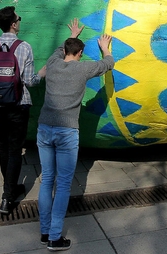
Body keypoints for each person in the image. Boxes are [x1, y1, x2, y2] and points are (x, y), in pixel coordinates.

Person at [37, 19, 114, 250]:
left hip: (44, 128)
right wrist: (105, 47)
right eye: (80, 53)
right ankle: (55, 236)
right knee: (62, 185)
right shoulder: (83, 68)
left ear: (64, 51)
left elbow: (58, 51)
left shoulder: (53, 64)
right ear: (80, 52)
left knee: (47, 180)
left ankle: (44, 231)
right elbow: (108, 64)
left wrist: (72, 34)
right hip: (67, 131)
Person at [0, 6, 44, 215]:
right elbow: (29, 80)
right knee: (15, 149)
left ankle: (10, 186)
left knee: (3, 146)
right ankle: (8, 197)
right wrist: (42, 73)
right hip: (18, 104)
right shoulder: (24, 47)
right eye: (19, 18)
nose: (20, 21)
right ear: (13, 24)